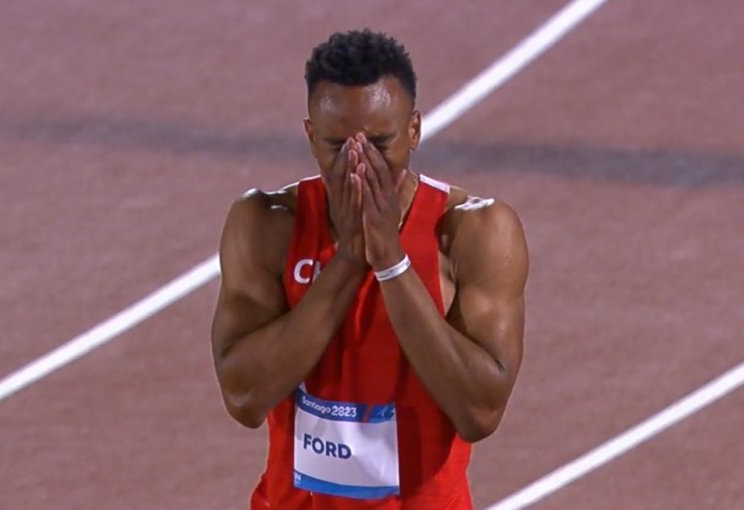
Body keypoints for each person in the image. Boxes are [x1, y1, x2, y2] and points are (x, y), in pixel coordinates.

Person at [211, 29, 528, 509]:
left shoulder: (474, 232)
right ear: (310, 136)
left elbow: (480, 411)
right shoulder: (266, 226)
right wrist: (348, 262)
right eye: (339, 146)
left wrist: (392, 263)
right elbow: (244, 399)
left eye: (381, 143)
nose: (362, 163)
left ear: (415, 130)